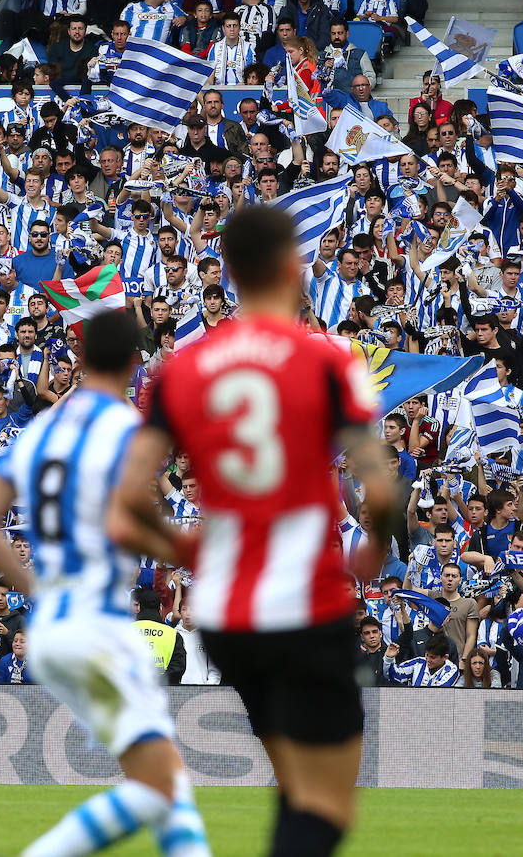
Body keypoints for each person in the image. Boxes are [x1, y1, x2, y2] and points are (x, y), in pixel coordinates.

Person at [111, 206, 397, 857]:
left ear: (229, 273)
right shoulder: (328, 357)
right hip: (305, 600)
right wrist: (373, 549)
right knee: (327, 797)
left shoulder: (183, 369)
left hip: (228, 611)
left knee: (296, 782)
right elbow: (378, 484)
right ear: (293, 269)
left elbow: (130, 495)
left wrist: (188, 549)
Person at [0, 309, 212, 857]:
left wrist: (38, 587)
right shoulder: (122, 428)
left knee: (165, 777)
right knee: (160, 783)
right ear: (133, 363)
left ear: (77, 357)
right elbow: (129, 522)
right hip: (96, 624)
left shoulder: (42, 430)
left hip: (53, 626)